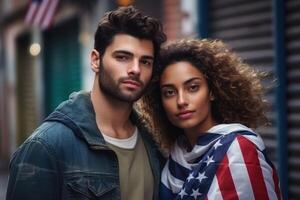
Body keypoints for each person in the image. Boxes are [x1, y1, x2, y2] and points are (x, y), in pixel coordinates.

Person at [6, 6, 166, 200]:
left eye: (145, 61)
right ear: (95, 60)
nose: (135, 69)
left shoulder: (154, 142)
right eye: (123, 57)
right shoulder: (46, 147)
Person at [140, 38, 282, 199]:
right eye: (169, 92)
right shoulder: (174, 157)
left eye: (193, 88)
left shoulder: (239, 150)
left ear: (212, 91)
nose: (181, 101)